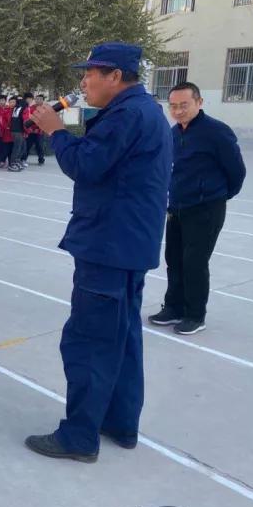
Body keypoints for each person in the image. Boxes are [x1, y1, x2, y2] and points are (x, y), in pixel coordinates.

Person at [25, 42, 172, 463]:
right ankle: (119, 422)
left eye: (92, 73)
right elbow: (101, 149)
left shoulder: (127, 115)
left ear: (116, 76)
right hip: (129, 244)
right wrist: (65, 123)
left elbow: (86, 164)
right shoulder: (143, 112)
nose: (84, 80)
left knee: (90, 341)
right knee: (122, 336)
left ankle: (79, 436)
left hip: (108, 245)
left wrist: (56, 130)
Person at [148, 82, 246, 336]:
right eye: (173, 106)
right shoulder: (174, 133)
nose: (178, 111)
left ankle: (194, 315)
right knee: (174, 260)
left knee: (194, 263)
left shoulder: (216, 132)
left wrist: (217, 196)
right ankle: (173, 307)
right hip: (177, 206)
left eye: (184, 105)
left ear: (199, 102)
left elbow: (236, 171)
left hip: (205, 209)